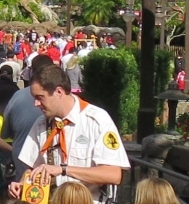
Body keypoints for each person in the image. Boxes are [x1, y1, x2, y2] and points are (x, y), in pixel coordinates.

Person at [12, 63, 131, 195]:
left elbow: (114, 174)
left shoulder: (97, 120)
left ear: (59, 92)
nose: (36, 104)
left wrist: (63, 170)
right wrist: (22, 184)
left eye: (40, 97)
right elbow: (31, 169)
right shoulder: (41, 124)